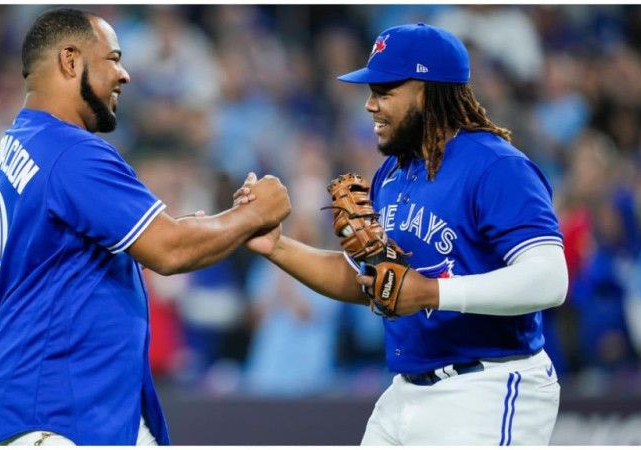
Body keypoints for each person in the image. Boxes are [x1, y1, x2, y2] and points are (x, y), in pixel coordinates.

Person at [235, 23, 568, 445]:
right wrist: (277, 247)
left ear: (428, 92)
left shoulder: (497, 166)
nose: (371, 105)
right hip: (406, 389)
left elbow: (550, 279)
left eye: (385, 91)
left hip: (488, 384)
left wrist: (431, 293)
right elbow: (367, 281)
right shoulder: (391, 174)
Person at [0, 8, 290, 446]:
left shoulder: (19, 145)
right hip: (54, 409)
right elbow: (170, 250)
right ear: (70, 61)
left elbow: (107, 254)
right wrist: (256, 213)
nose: (124, 75)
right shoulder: (70, 152)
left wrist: (213, 228)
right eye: (112, 58)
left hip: (55, 403)